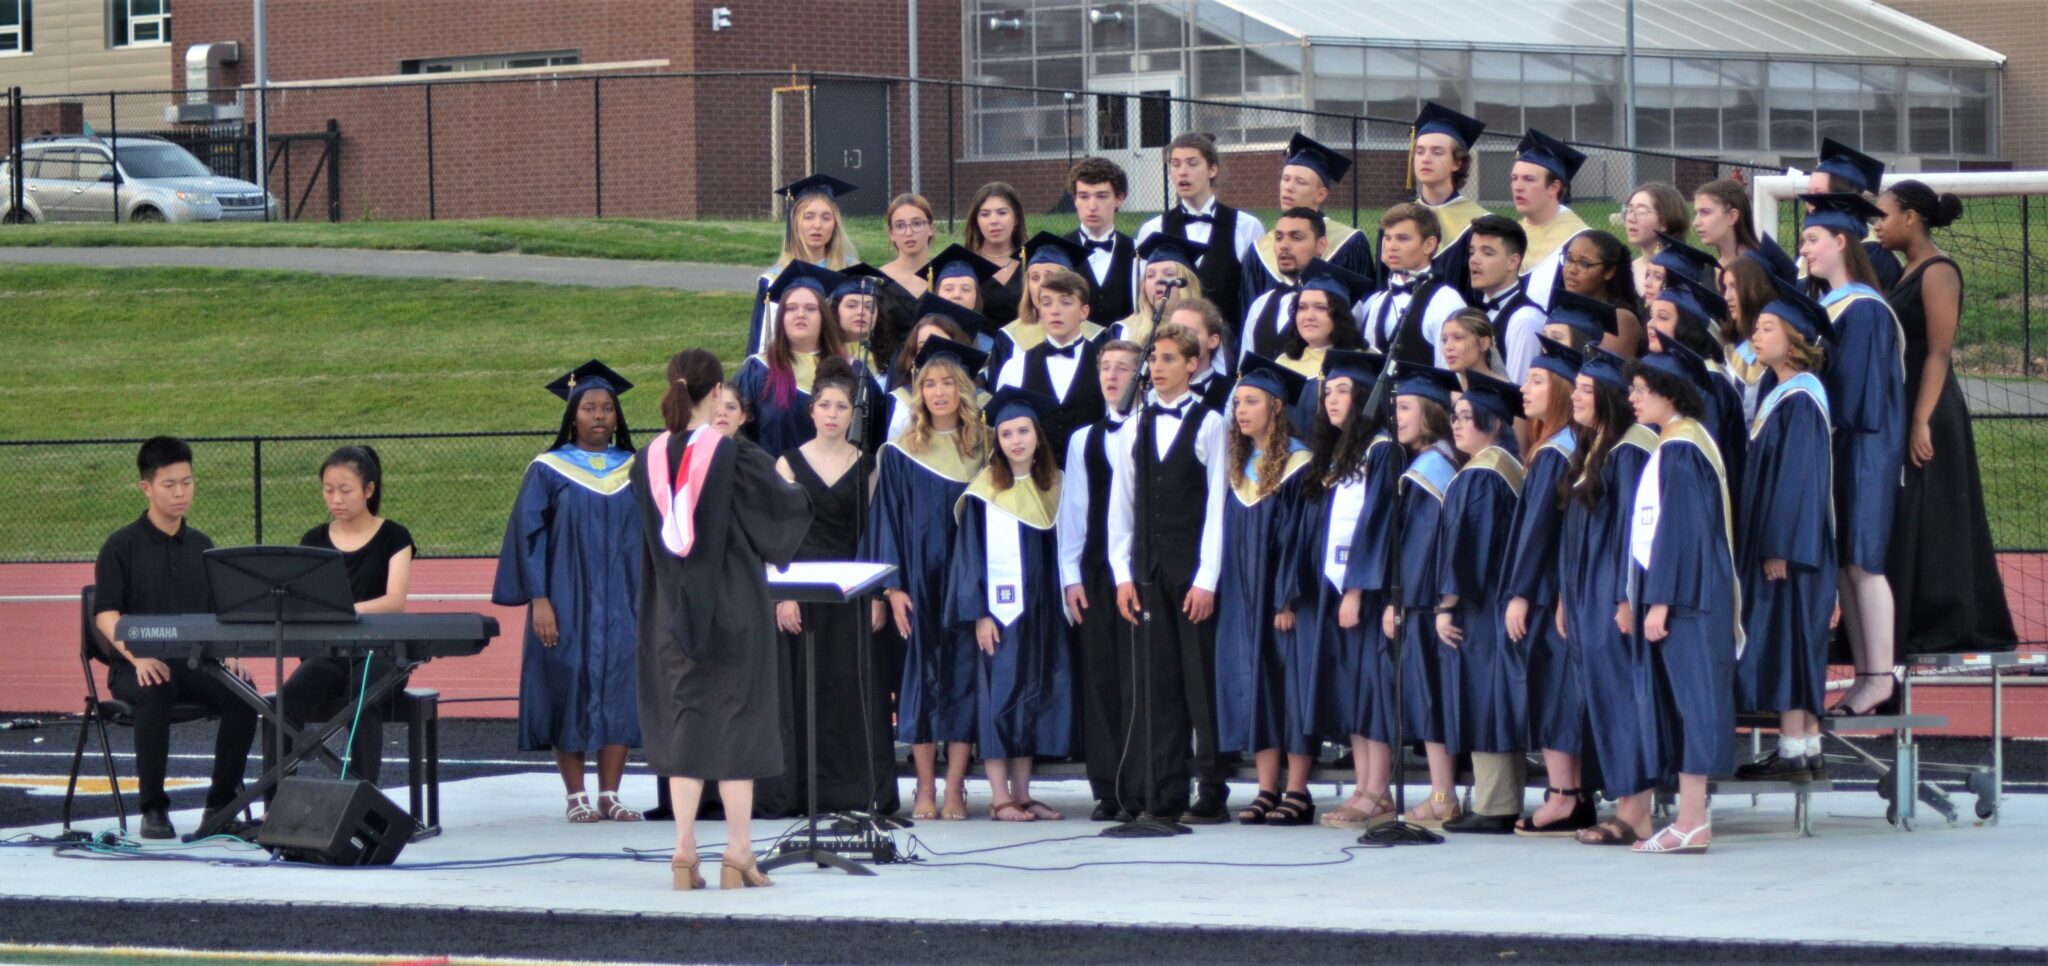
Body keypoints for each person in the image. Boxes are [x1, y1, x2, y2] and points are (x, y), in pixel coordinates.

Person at [633, 348, 812, 890]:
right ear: (717, 395)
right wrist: (796, 489)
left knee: (686, 719)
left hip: (670, 610)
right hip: (735, 608)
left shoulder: (645, 459)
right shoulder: (736, 455)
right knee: (740, 722)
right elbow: (784, 517)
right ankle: (738, 853)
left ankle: (684, 851)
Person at [493, 361, 646, 824]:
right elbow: (528, 537)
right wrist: (539, 598)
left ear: (617, 417)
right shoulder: (548, 469)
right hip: (565, 596)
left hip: (624, 597)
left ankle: (611, 793)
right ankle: (576, 794)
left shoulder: (635, 469)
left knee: (621, 685)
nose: (599, 415)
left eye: (607, 408)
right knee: (569, 684)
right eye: (589, 408)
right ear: (573, 416)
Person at [92, 437, 259, 840]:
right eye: (170, 484)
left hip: (196, 663)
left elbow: (219, 614)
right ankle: (153, 808)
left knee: (244, 693)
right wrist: (137, 659)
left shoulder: (203, 546)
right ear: (146, 487)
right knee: (157, 685)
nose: (181, 492)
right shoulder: (120, 546)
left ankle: (219, 806)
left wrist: (229, 654)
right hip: (137, 669)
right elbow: (105, 616)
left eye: (187, 482)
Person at [1876, 180, 2018, 654]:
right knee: (1908, 513)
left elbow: (1938, 352)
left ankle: (1945, 621)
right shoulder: (1903, 269)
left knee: (1933, 512)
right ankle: (1904, 620)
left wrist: (1921, 421)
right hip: (1909, 403)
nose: (1879, 224)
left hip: (1931, 407)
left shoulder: (1938, 272)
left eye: (1885, 214)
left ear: (1911, 217)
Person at [1107, 322, 1234, 824]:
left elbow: (1217, 508)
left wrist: (1208, 577)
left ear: (1192, 364)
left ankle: (1212, 786)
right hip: (1146, 571)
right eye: (1152, 360)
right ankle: (1162, 786)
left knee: (1198, 681)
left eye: (1166, 359)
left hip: (1191, 569)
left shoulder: (1209, 422)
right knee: (1154, 680)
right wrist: (1122, 573)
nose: (1156, 368)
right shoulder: (1133, 422)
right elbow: (1123, 504)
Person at [866, 337, 990, 821]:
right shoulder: (899, 454)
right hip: (917, 582)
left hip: (967, 582)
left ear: (964, 390)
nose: (939, 392)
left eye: (948, 383)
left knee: (962, 678)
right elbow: (886, 521)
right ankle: (922, 788)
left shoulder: (985, 447)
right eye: (929, 384)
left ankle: (955, 787)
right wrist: (892, 588)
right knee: (918, 680)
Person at [1624, 340, 1740, 854]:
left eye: (1642, 389)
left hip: (1690, 598)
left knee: (1697, 706)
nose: (1632, 398)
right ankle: (1692, 820)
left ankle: (1692, 821)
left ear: (1670, 394)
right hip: (1693, 593)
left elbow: (1680, 530)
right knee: (1693, 704)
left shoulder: (1680, 447)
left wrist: (1660, 601)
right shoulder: (1679, 440)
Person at [771, 358, 900, 815]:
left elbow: (874, 534)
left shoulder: (867, 464)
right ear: (811, 410)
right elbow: (779, 535)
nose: (831, 413)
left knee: (853, 689)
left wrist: (877, 595)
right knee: (803, 693)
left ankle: (858, 791)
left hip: (851, 592)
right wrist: (782, 594)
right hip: (802, 592)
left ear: (853, 414)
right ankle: (800, 792)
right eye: (823, 404)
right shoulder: (787, 463)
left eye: (841, 406)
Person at [1800, 192, 1907, 716]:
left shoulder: (1863, 308)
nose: (1805, 252)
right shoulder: (1829, 305)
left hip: (1862, 446)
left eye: (1813, 240)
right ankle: (1868, 675)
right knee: (1846, 566)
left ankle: (1878, 677)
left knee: (1863, 562)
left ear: (1842, 241)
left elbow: (1857, 394)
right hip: (1839, 444)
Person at [1731, 281, 1840, 782]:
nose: (1757, 333)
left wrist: (1779, 547)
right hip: (1791, 546)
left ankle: (1795, 752)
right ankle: (1804, 748)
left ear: (1795, 340)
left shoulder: (1800, 399)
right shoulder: (1782, 394)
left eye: (1768, 327)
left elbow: (1798, 480)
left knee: (1792, 641)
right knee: (1791, 641)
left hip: (1792, 550)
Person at [949, 388, 1074, 821]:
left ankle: (1023, 793)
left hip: (1045, 612)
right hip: (1003, 614)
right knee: (1000, 695)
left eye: (1023, 431)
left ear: (1037, 436)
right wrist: (980, 613)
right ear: (997, 441)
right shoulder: (985, 492)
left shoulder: (1054, 484)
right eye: (1006, 434)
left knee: (1034, 697)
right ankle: (1000, 796)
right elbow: (969, 559)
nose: (1016, 440)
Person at [1558, 350, 1661, 845]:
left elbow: (1630, 534)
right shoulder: (1598, 447)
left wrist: (1625, 597)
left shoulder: (1632, 448)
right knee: (1602, 699)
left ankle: (1637, 812)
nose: (1574, 396)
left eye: (1584, 388)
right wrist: (1564, 598)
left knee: (1622, 699)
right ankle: (1623, 805)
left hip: (1610, 594)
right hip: (1585, 594)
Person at [1209, 355, 1315, 826]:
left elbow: (1299, 537)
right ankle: (1266, 787)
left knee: (1287, 688)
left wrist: (1286, 598)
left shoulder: (1298, 462)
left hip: (1278, 602)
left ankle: (1298, 789)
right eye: (1236, 404)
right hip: (1242, 597)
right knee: (1255, 686)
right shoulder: (1237, 465)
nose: (1241, 411)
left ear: (1276, 406)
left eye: (1250, 402)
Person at [1302, 349, 1403, 830]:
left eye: (1344, 390)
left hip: (1367, 589)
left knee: (1372, 691)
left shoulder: (1381, 449)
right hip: (1340, 586)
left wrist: (1359, 590)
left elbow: (1377, 522)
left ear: (1365, 397)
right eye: (1328, 392)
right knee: (1354, 692)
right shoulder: (1347, 453)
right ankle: (1364, 786)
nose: (1333, 399)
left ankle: (1378, 790)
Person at [1500, 338, 1595, 836]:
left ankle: (1563, 794)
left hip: (1546, 593)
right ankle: (1571, 793)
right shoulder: (1564, 445)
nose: (1525, 387)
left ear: (1559, 392)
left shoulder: (1557, 451)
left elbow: (1539, 530)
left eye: (1537, 381)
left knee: (1554, 689)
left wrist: (1520, 591)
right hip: (1560, 589)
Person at [281, 445, 416, 788]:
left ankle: (360, 797)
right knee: (288, 698)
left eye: (345, 490)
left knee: (363, 697)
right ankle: (277, 796)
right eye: (328, 491)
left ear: (369, 490)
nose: (335, 499)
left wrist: (349, 610)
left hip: (380, 654)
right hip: (328, 651)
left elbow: (394, 600)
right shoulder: (313, 539)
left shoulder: (395, 536)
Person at [1435, 371, 1528, 834]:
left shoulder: (1482, 473)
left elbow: (1468, 548)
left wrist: (1446, 604)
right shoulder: (1508, 465)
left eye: (1468, 417)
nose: (1457, 424)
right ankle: (1499, 799)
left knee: (1486, 701)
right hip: (1496, 600)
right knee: (1495, 701)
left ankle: (1494, 805)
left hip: (1482, 607)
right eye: (1455, 416)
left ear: (1494, 422)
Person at [1372, 364, 1463, 827]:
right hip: (1432, 601)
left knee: (1428, 698)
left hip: (1425, 604)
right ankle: (1441, 792)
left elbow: (1420, 543)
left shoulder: (1429, 470)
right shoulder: (1442, 459)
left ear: (1429, 414)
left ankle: (1444, 794)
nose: (1396, 416)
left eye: (1404, 407)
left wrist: (1399, 600)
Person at [1058, 339, 1144, 821]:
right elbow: (1075, 509)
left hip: (1141, 569)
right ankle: (1107, 787)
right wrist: (1071, 575)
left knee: (1140, 678)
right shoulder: (1083, 438)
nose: (1112, 377)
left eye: (1122, 368)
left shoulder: (1153, 429)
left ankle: (1142, 783)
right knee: (1102, 678)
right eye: (1105, 368)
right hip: (1095, 569)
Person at [731, 260, 859, 458]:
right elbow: (736, 434)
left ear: (823, 317)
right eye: (791, 308)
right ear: (781, 317)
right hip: (772, 483)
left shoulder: (851, 370)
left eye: (810, 308)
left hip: (835, 484)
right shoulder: (757, 370)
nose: (800, 315)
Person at [1136, 132, 1265, 322]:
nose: (1182, 171)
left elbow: (1257, 298)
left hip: (1228, 345)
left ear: (1212, 169)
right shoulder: (1153, 229)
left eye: (1192, 163)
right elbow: (1143, 300)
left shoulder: (1246, 226)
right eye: (1175, 164)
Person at [1242, 133, 1374, 308]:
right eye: (1285, 179)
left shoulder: (1350, 242)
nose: (1288, 187)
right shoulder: (1259, 251)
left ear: (1321, 194)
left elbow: (1363, 308)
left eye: (1300, 182)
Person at [1648, 270, 1747, 489]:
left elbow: (1700, 453)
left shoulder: (1708, 380)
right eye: (1651, 316)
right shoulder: (1678, 373)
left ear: (1687, 326)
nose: (1650, 324)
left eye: (1663, 317)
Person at [995, 265, 1105, 446]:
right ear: (1039, 311)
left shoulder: (1105, 365)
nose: (1055, 311)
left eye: (1066, 302)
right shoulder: (1016, 367)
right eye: (1047, 303)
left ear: (1084, 312)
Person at [750, 174, 859, 356]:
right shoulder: (773, 280)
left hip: (841, 368)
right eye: (808, 217)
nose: (817, 225)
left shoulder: (852, 274)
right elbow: (759, 345)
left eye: (826, 218)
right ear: (795, 223)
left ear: (835, 225)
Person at [1360, 203, 1466, 368]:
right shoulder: (1378, 301)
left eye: (1402, 238)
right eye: (1387, 238)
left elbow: (1451, 371)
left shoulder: (1446, 301)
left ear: (1429, 245)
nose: (1391, 247)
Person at [1275, 259, 1373, 435]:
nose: (1309, 316)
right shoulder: (1283, 363)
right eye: (1302, 308)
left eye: (1321, 308)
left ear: (1340, 315)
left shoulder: (1365, 360)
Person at [1408, 102, 1490, 298]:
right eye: (1420, 151)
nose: (1425, 159)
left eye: (1437, 152)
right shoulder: (1400, 220)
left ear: (1457, 162)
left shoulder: (1479, 224)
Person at [1810, 137, 1905, 292]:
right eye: (1809, 192)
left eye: (1818, 193)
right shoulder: (1810, 246)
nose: (1809, 201)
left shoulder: (1873, 252)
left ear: (1842, 196)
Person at [1240, 207, 1331, 364]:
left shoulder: (1338, 302)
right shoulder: (1260, 305)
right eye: (1279, 238)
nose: (1284, 246)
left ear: (1321, 245)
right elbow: (1244, 369)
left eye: (1296, 238)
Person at [1511, 128, 1591, 301]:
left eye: (1528, 179)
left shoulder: (1579, 239)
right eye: (1514, 178)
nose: (1517, 186)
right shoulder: (1511, 233)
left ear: (1554, 187)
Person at [1467, 215, 1547, 384]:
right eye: (1472, 252)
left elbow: (1516, 392)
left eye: (1487, 252)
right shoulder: (1477, 310)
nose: (1474, 260)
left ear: (1513, 262)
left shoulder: (1525, 319)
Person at [1067, 157, 1139, 325]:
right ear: (1075, 199)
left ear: (1119, 198)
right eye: (1084, 196)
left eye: (1101, 196)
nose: (1092, 206)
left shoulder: (1137, 251)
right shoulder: (1061, 250)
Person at [1114, 234, 1209, 349]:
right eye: (1150, 275)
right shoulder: (1125, 331)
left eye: (1169, 274)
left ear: (1188, 283)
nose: (1158, 280)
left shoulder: (1208, 329)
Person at [1560, 231, 1645, 358]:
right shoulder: (1566, 309)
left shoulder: (1619, 319)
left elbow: (1602, 374)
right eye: (1569, 259)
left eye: (1584, 264)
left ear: (1609, 271)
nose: (1571, 269)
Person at [966, 182, 1028, 327]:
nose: (994, 221)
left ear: (1016, 218)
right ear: (977, 221)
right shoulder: (967, 264)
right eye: (985, 214)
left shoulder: (1032, 261)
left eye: (1002, 213)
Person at [1623, 183, 1691, 295]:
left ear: (1664, 222)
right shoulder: (1626, 270)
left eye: (1641, 212)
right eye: (1629, 210)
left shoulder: (1683, 271)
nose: (1630, 218)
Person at [1692, 178, 1760, 270]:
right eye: (1696, 213)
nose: (1696, 222)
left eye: (1705, 212)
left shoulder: (1757, 267)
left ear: (1732, 216)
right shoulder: (1710, 269)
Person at [1439, 308, 1502, 385]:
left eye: (1458, 338)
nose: (1448, 347)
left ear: (1484, 344)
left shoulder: (1504, 393)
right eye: (1444, 340)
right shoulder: (1443, 392)